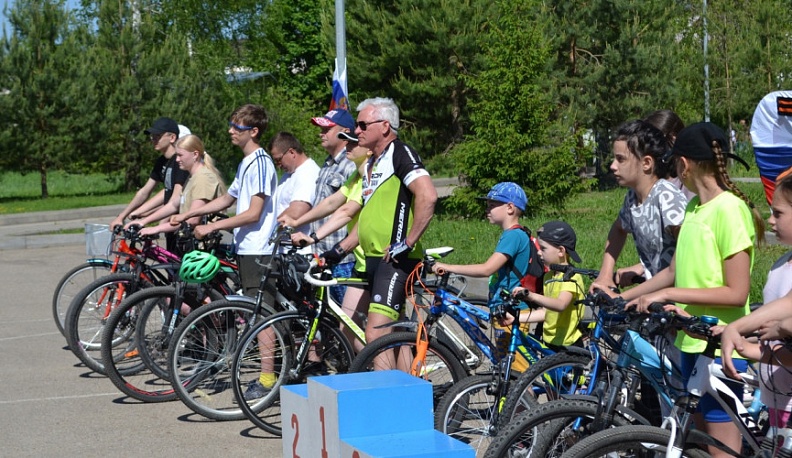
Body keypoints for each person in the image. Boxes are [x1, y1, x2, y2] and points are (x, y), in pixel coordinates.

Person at [619, 122, 765, 458]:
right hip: (690, 342)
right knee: (698, 444)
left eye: (675, 165)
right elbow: (674, 271)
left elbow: (737, 293)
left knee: (722, 451)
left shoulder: (729, 210)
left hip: (721, 348)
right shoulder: (693, 208)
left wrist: (671, 295)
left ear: (684, 164)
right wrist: (634, 296)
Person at [329, 97, 438, 347]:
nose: (356, 131)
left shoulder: (400, 152)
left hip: (395, 260)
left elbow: (428, 195)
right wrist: (338, 250)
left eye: (362, 125)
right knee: (394, 338)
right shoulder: (372, 163)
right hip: (373, 259)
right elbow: (369, 219)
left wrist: (408, 242)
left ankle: (386, 387)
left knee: (376, 337)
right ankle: (409, 386)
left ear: (385, 126)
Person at [171, 104, 277, 298]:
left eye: (238, 128)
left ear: (253, 132)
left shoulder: (261, 163)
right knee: (251, 312)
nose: (231, 131)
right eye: (231, 126)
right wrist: (189, 213)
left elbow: (254, 214)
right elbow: (227, 199)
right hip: (246, 247)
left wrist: (212, 227)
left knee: (260, 318)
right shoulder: (246, 162)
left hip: (259, 249)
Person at [281, 132, 373, 352]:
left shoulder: (372, 178)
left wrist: (316, 238)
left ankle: (401, 374)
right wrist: (298, 222)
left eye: (353, 142)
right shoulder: (357, 178)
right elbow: (331, 203)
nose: (347, 146)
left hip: (375, 259)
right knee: (348, 329)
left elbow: (346, 212)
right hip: (362, 262)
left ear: (369, 149)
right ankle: (371, 371)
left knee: (379, 333)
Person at [719, 172, 792, 431]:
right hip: (779, 397)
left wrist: (778, 331)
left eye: (778, 213)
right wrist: (737, 328)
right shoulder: (783, 263)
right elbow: (786, 304)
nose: (770, 220)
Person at [591, 120, 687, 290]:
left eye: (621, 159)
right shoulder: (632, 198)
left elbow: (687, 257)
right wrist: (605, 275)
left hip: (679, 299)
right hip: (656, 294)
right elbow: (618, 229)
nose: (613, 166)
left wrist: (624, 298)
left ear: (647, 163)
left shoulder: (666, 197)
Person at [111, 117, 189, 251]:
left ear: (172, 138)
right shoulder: (162, 161)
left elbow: (175, 202)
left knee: (178, 269)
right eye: (152, 136)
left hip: (183, 227)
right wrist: (123, 216)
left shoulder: (180, 162)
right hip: (171, 225)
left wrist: (146, 220)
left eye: (157, 136)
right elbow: (144, 192)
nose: (153, 139)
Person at [505, 220, 586, 350]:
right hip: (549, 341)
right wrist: (516, 318)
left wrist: (531, 296)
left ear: (561, 251)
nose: (538, 252)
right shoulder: (548, 276)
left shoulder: (572, 277)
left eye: (543, 249)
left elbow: (560, 305)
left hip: (569, 345)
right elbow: (546, 312)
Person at [304, 109, 358, 303]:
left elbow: (345, 208)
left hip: (344, 258)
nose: (321, 133)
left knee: (351, 319)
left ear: (344, 131)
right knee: (331, 321)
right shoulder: (328, 163)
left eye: (327, 128)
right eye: (321, 128)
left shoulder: (352, 163)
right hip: (322, 255)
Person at [133, 134, 227, 238]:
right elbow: (174, 205)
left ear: (195, 154)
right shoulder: (191, 177)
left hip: (201, 247)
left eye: (180, 155)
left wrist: (157, 229)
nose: (177, 160)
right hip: (188, 242)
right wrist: (143, 222)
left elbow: (192, 220)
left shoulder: (203, 178)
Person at [268, 132, 320, 242]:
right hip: (285, 248)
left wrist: (267, 229)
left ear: (292, 152)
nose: (278, 165)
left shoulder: (307, 173)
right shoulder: (289, 174)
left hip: (299, 250)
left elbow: (297, 211)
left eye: (278, 160)